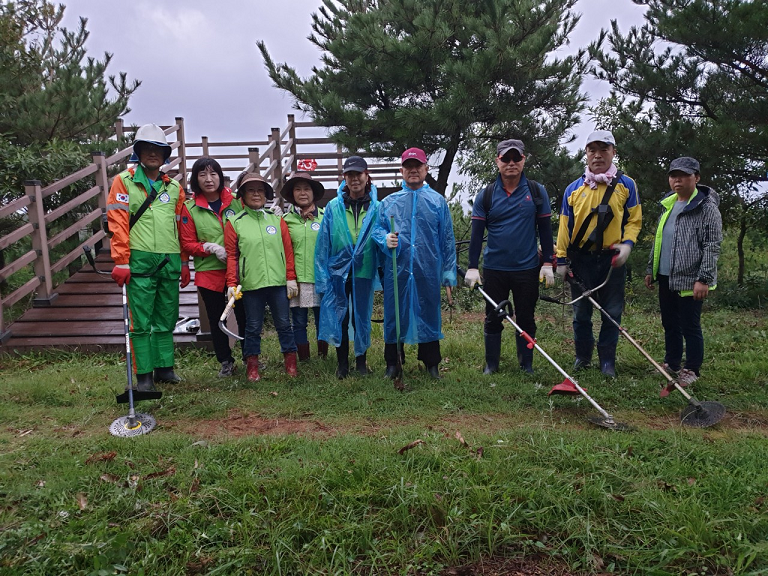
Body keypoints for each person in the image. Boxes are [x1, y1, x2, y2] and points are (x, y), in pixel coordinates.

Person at [464, 139, 555, 375]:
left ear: (524, 160)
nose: (511, 163)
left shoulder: (536, 191)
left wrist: (547, 262)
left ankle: (526, 365)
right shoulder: (486, 195)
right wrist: (473, 267)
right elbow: (476, 236)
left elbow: (545, 230)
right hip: (495, 268)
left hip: (527, 268)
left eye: (516, 158)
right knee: (493, 317)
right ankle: (491, 365)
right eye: (506, 158)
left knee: (526, 318)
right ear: (497, 161)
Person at [106, 123, 186, 392]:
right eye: (147, 148)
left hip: (170, 259)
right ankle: (144, 378)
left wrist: (184, 261)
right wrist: (121, 260)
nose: (153, 153)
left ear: (165, 155)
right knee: (141, 321)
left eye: (158, 149)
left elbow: (180, 226)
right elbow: (117, 223)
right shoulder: (123, 181)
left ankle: (165, 368)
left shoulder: (174, 187)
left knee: (167, 316)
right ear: (138, 152)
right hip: (139, 259)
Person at [556, 130, 642, 377]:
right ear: (586, 154)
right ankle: (582, 358)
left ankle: (607, 362)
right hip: (580, 260)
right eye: (592, 150)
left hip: (611, 259)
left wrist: (628, 244)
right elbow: (564, 225)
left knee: (612, 312)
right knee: (581, 312)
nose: (597, 155)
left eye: (603, 149)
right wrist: (561, 259)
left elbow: (634, 220)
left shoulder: (626, 185)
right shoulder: (573, 189)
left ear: (613, 152)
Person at [373, 148, 457, 380]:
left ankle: (431, 363)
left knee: (428, 312)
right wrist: (384, 239)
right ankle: (393, 363)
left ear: (425, 169)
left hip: (427, 269)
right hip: (396, 269)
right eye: (408, 166)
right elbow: (376, 230)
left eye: (417, 166)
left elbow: (447, 239)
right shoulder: (388, 202)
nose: (413, 170)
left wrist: (448, 271)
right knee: (394, 314)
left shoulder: (437, 202)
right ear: (401, 170)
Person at [644, 157, 722, 387]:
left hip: (691, 279)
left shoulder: (706, 208)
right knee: (670, 323)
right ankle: (672, 362)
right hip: (667, 276)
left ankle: (692, 369)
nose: (677, 180)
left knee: (690, 325)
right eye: (673, 175)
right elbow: (660, 240)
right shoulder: (668, 205)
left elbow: (712, 245)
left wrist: (704, 278)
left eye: (684, 175)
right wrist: (652, 269)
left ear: (696, 178)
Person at [224, 173, 298, 382]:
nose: (256, 194)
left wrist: (290, 277)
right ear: (243, 195)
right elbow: (232, 256)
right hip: (251, 284)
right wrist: (231, 283)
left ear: (266, 194)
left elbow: (288, 250)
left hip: (278, 283)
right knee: (253, 326)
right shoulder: (235, 222)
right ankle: (252, 367)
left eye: (260, 190)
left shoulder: (277, 219)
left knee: (284, 323)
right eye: (251, 190)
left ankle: (291, 364)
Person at [179, 157, 246, 377]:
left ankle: (251, 357)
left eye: (213, 174)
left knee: (246, 315)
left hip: (238, 271)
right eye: (202, 174)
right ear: (195, 179)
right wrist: (209, 247)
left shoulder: (237, 201)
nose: (209, 179)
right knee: (218, 318)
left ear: (221, 176)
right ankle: (226, 361)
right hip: (209, 273)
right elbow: (187, 243)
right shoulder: (190, 208)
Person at [315, 156, 380, 379]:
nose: (355, 179)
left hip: (363, 270)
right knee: (340, 317)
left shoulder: (376, 207)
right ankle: (342, 363)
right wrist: (322, 278)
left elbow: (380, 237)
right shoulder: (333, 207)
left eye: (358, 174)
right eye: (350, 175)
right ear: (344, 178)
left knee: (360, 317)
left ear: (366, 175)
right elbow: (323, 243)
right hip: (338, 272)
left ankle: (361, 361)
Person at [281, 171, 327, 362]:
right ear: (292, 194)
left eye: (306, 189)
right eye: (297, 189)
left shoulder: (325, 216)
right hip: (297, 279)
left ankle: (323, 356)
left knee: (322, 320)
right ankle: (304, 358)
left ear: (313, 193)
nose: (302, 193)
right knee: (298, 321)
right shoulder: (285, 220)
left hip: (321, 278)